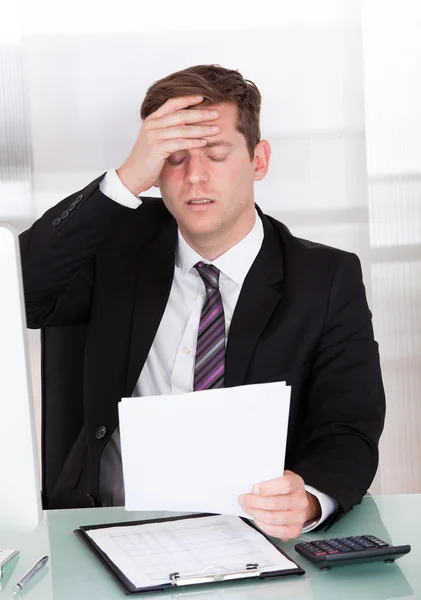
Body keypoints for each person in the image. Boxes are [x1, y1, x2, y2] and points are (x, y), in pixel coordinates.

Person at [20, 64, 385, 541]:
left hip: (254, 534)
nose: (195, 178)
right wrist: (125, 179)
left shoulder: (327, 278)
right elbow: (17, 293)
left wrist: (312, 496)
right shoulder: (114, 243)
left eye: (216, 154)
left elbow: (348, 426)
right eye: (173, 158)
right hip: (104, 523)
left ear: (259, 160)